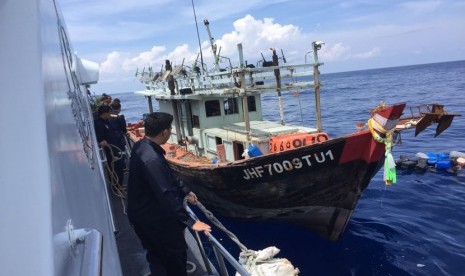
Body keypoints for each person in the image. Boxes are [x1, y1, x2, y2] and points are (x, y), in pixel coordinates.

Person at [127, 112, 211, 276]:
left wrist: (185, 190)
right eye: (170, 129)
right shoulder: (151, 159)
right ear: (164, 132)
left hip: (142, 214)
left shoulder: (142, 146)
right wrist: (190, 222)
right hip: (152, 220)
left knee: (156, 256)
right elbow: (165, 192)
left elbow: (167, 176)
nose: (171, 132)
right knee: (174, 256)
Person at [109, 101, 127, 182]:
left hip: (110, 141)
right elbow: (124, 129)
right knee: (121, 158)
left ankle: (113, 180)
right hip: (119, 141)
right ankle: (120, 182)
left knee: (112, 161)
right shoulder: (120, 117)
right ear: (119, 109)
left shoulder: (107, 116)